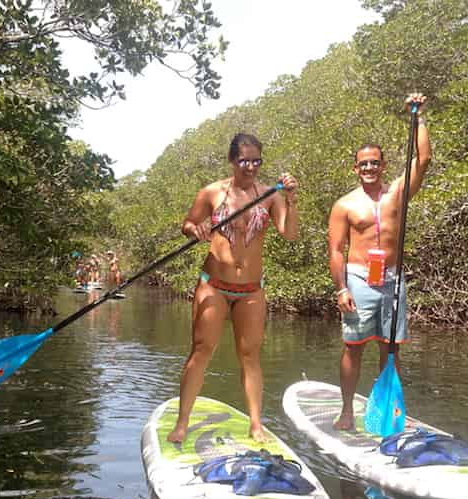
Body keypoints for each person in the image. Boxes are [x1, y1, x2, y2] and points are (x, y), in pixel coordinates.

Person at [167, 133, 298, 443]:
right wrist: (195, 230)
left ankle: (256, 423)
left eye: (256, 161)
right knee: (201, 351)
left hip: (251, 289)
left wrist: (291, 202)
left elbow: (289, 234)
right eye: (244, 161)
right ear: (232, 160)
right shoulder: (212, 192)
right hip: (214, 285)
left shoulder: (270, 195)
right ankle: (182, 422)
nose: (250, 167)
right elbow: (187, 224)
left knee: (250, 355)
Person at [327, 93, 432, 430]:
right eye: (364, 164)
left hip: (392, 279)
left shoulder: (397, 193)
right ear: (355, 169)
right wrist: (341, 288)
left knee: (391, 351)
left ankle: (390, 413)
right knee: (353, 347)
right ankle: (346, 411)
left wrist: (417, 117)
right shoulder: (345, 205)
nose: (370, 168)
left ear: (384, 166)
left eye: (375, 162)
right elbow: (335, 250)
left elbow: (424, 158)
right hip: (358, 278)